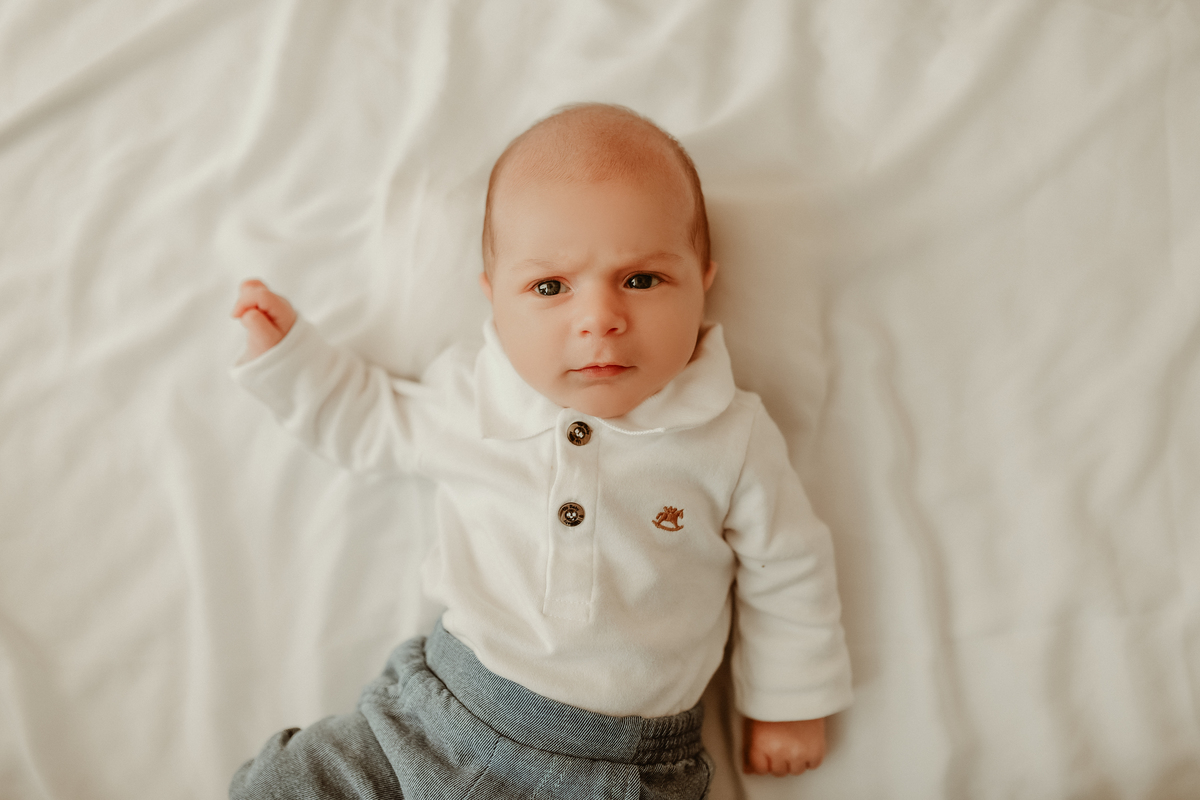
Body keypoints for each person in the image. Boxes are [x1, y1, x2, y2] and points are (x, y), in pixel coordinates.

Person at [229, 103, 852, 799]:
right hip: (439, 717)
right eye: (550, 287)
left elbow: (787, 566)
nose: (600, 319)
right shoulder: (472, 399)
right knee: (285, 784)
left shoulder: (729, 434)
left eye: (641, 280)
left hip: (620, 769)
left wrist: (790, 701)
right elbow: (370, 421)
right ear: (495, 300)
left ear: (703, 281)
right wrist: (291, 360)